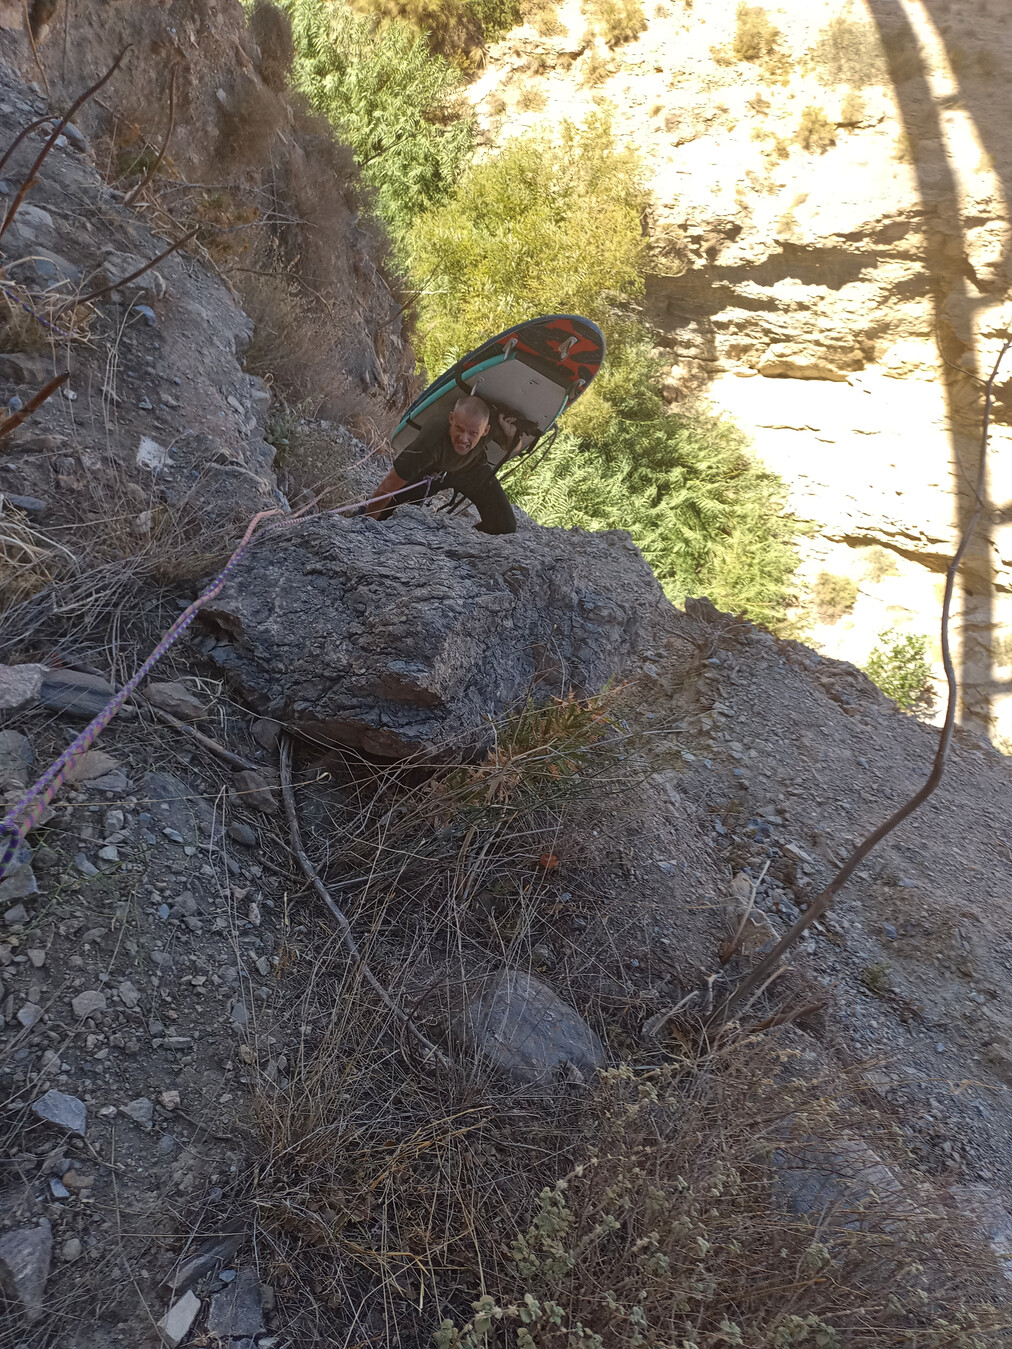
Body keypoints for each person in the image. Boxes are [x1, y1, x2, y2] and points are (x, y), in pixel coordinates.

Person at [367, 394, 518, 535]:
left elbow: (512, 447)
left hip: (473, 469)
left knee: (505, 526)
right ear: (451, 419)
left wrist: (511, 435)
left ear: (485, 431)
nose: (464, 439)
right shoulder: (431, 441)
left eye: (473, 433)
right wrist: (364, 524)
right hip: (434, 471)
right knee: (386, 510)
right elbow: (388, 487)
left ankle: (457, 548)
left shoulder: (486, 424)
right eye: (459, 429)